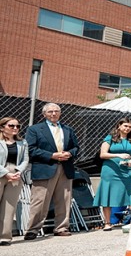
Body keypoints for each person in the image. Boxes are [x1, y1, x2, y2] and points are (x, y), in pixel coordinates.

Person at [25, 103, 79, 239]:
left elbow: (76, 147)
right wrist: (52, 155)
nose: (53, 114)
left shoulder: (68, 129)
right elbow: (31, 149)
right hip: (45, 167)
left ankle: (61, 227)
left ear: (60, 113)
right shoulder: (35, 129)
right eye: (50, 112)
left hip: (65, 167)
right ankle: (33, 229)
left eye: (56, 111)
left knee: (64, 200)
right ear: (44, 114)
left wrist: (70, 153)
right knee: (40, 200)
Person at [94, 117, 131, 230]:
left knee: (130, 194)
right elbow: (102, 154)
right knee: (107, 194)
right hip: (110, 170)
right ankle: (107, 223)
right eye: (125, 126)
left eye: (130, 127)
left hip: (126, 170)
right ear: (119, 126)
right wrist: (119, 155)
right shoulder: (110, 138)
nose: (127, 128)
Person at [0, 117, 29, 246]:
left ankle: (5, 237)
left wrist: (18, 171)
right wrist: (6, 173)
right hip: (2, 172)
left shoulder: (22, 143)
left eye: (18, 126)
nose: (15, 128)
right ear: (2, 127)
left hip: (16, 174)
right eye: (11, 126)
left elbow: (25, 160)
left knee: (9, 206)